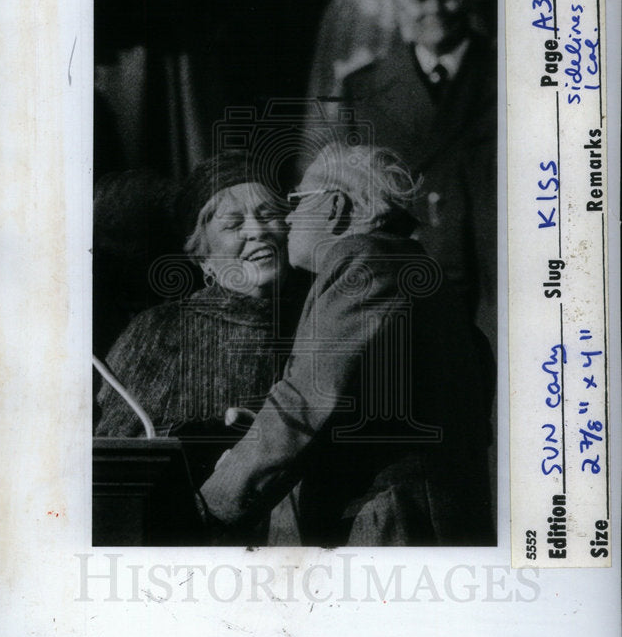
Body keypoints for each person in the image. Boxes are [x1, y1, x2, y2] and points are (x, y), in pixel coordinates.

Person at [199, 143, 494, 547]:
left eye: (297, 201)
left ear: (335, 207)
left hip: (388, 531)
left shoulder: (366, 262)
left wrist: (213, 501)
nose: (289, 218)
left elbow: (306, 401)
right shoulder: (411, 265)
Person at [303, 0, 497, 355]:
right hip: (410, 290)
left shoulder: (514, 74)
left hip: (493, 289)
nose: (435, 9)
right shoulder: (364, 89)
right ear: (394, 0)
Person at [95, 151, 298, 446]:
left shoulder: (324, 312)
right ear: (203, 258)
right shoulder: (159, 331)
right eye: (233, 224)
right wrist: (208, 438)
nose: (258, 231)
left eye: (269, 215)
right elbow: (117, 448)